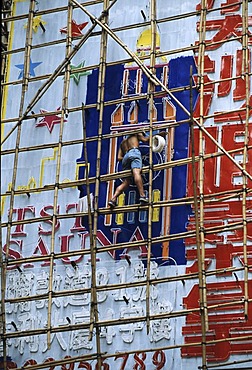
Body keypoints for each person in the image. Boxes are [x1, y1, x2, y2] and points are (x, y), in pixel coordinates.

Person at [108, 131, 166, 208]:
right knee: (136, 173)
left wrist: (128, 156)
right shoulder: (136, 134)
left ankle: (113, 199)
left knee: (127, 181)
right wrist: (158, 134)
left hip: (125, 157)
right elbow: (146, 140)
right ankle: (142, 195)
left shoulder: (123, 143)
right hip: (134, 151)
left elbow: (119, 158)